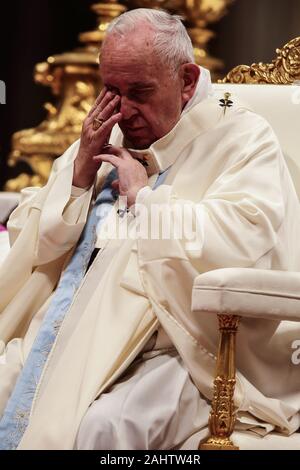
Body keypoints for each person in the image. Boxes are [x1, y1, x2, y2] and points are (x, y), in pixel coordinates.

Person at [0, 8, 300, 450]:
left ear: (187, 81)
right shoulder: (106, 137)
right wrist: (79, 177)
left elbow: (242, 235)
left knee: (102, 428)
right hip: (68, 331)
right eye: (111, 90)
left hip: (177, 345)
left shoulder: (241, 138)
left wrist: (148, 201)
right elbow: (32, 235)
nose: (122, 110)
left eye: (139, 91)